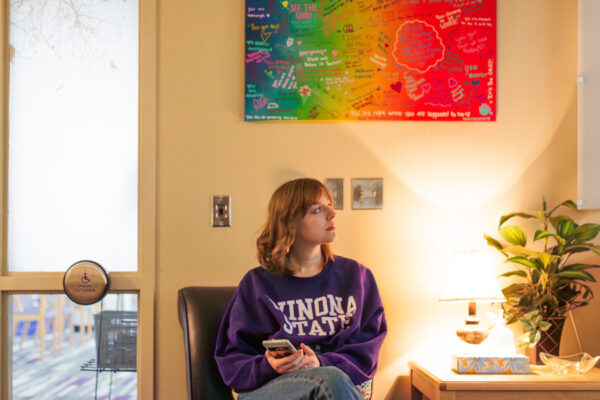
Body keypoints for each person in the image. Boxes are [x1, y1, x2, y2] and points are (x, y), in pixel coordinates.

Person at [214, 178, 387, 400]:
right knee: (331, 380)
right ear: (290, 222)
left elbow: (367, 352)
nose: (331, 214)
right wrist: (268, 365)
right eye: (317, 209)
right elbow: (233, 362)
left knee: (332, 379)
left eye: (329, 205)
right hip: (272, 389)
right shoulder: (256, 284)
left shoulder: (357, 277)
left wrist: (321, 362)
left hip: (338, 386)